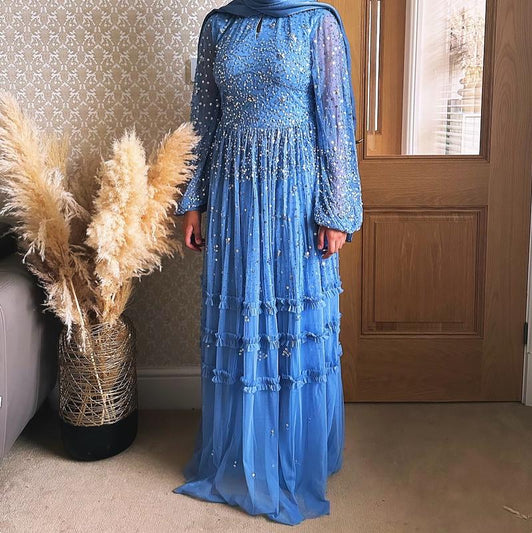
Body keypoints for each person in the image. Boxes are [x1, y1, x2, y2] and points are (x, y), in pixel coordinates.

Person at [173, 0, 363, 525]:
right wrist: (193, 200)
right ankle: (243, 451)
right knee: (244, 316)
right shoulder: (219, 25)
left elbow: (335, 121)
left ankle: (295, 453)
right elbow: (203, 119)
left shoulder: (317, 22)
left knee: (292, 320)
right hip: (234, 192)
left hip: (295, 195)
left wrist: (336, 211)